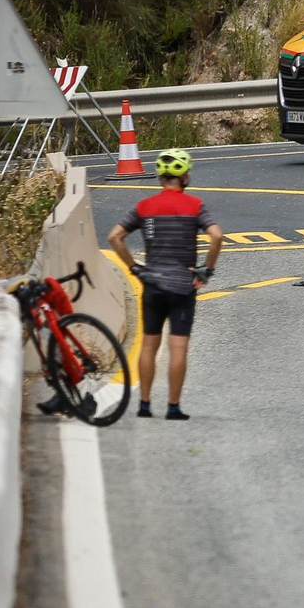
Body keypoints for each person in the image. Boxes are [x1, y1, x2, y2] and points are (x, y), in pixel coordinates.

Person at [107, 149, 224, 421]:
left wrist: (134, 268)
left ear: (160, 176)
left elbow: (114, 237)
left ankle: (145, 405)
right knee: (178, 347)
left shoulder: (144, 207)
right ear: (184, 177)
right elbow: (217, 236)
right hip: (183, 285)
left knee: (149, 344)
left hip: (152, 285)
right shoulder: (195, 205)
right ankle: (173, 407)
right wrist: (206, 270)